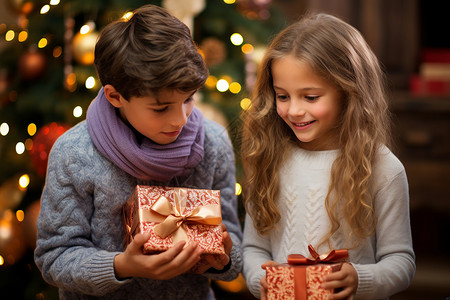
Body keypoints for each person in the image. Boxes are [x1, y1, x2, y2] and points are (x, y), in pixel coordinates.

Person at [34, 4, 242, 299]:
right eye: (161, 108)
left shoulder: (213, 142)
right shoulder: (75, 153)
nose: (181, 120)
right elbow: (53, 258)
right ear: (115, 96)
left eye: (189, 99)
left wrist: (223, 259)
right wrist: (123, 266)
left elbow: (234, 252)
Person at [240, 12, 415, 300]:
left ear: (349, 92)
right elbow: (254, 248)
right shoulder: (268, 158)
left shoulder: (382, 168)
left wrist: (360, 279)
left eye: (310, 97)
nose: (294, 110)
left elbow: (401, 263)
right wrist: (261, 277)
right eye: (282, 96)